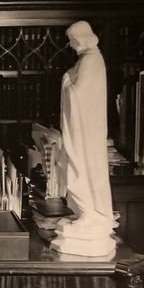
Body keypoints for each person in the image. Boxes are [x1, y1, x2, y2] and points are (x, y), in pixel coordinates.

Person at [52, 21, 116, 257]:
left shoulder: (91, 60)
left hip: (85, 133)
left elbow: (80, 95)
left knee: (82, 169)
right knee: (75, 168)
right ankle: (85, 213)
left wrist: (67, 82)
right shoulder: (88, 60)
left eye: (71, 39)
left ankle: (91, 214)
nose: (69, 44)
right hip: (81, 130)